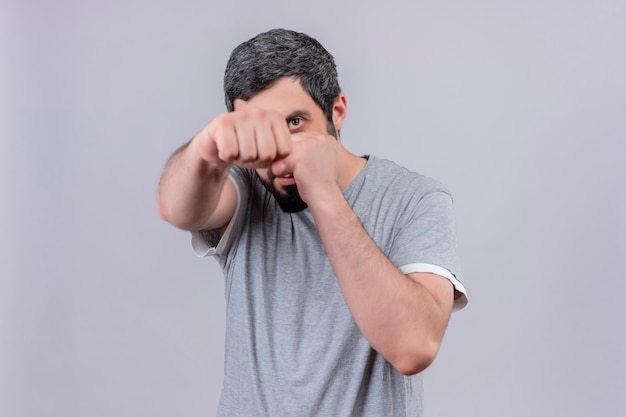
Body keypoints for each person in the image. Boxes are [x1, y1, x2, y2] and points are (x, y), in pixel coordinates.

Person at [157, 28, 467, 417]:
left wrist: (322, 192)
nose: (279, 152)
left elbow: (413, 346)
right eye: (263, 130)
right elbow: (176, 207)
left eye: (295, 123)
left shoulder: (415, 199)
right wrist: (208, 149)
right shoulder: (247, 184)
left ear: (336, 112)